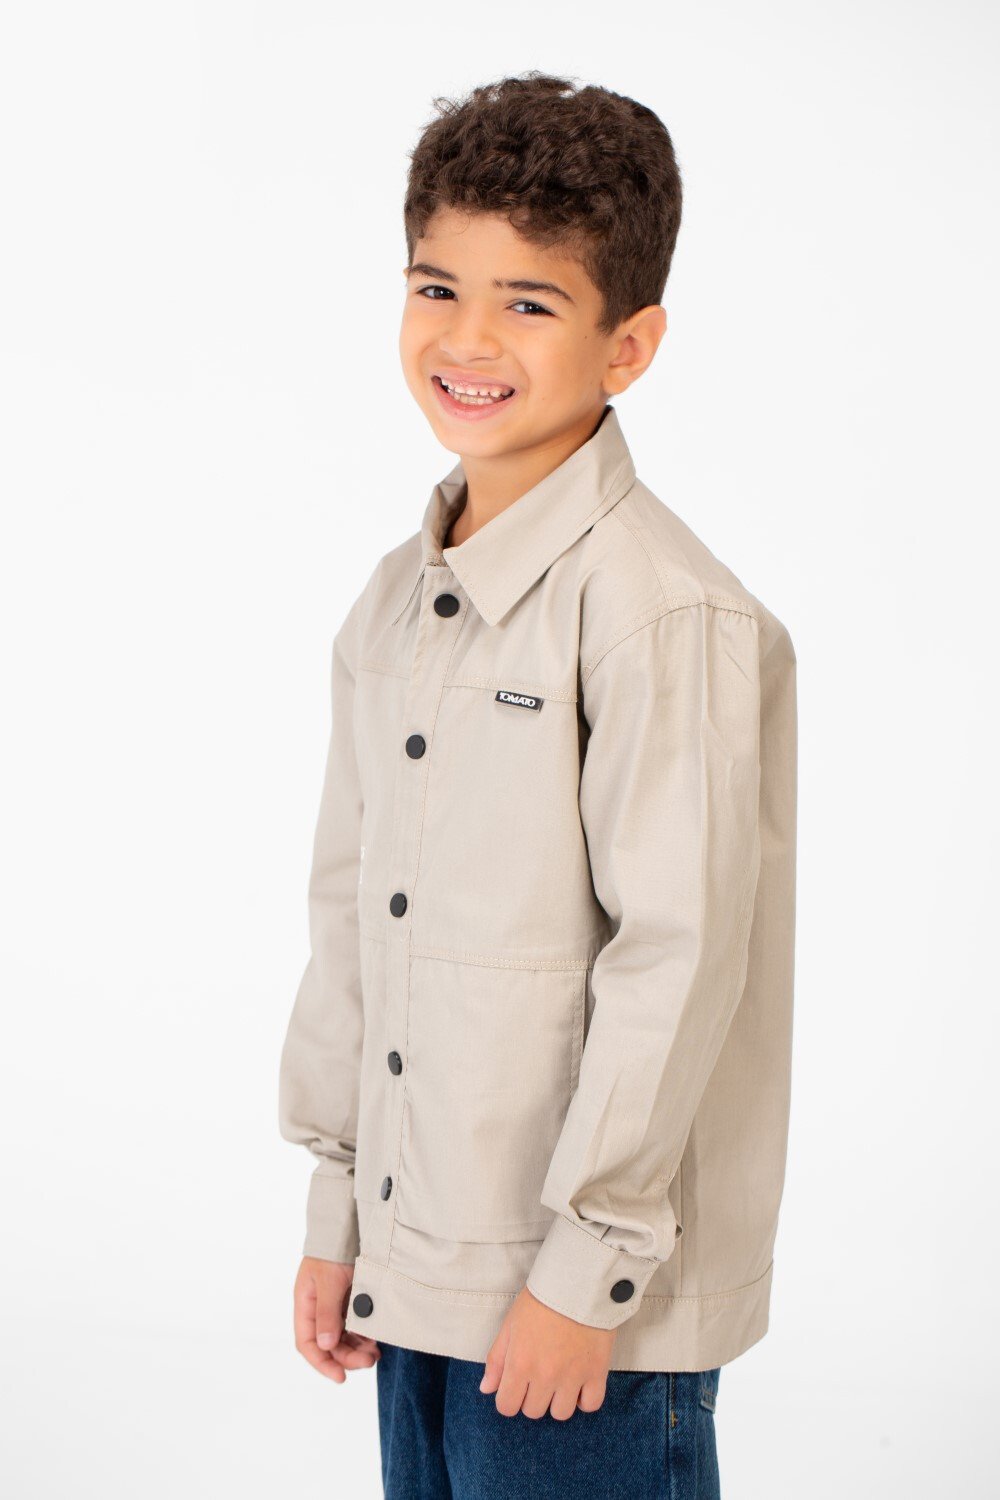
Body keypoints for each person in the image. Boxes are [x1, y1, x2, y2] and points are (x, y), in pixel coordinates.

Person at [278, 70, 797, 1499]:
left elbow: (678, 961)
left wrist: (590, 1270)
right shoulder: (394, 601)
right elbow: (355, 919)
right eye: (437, 287)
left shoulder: (658, 615)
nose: (467, 339)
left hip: (579, 1316)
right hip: (419, 1271)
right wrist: (342, 1209)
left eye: (529, 302)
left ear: (629, 345)